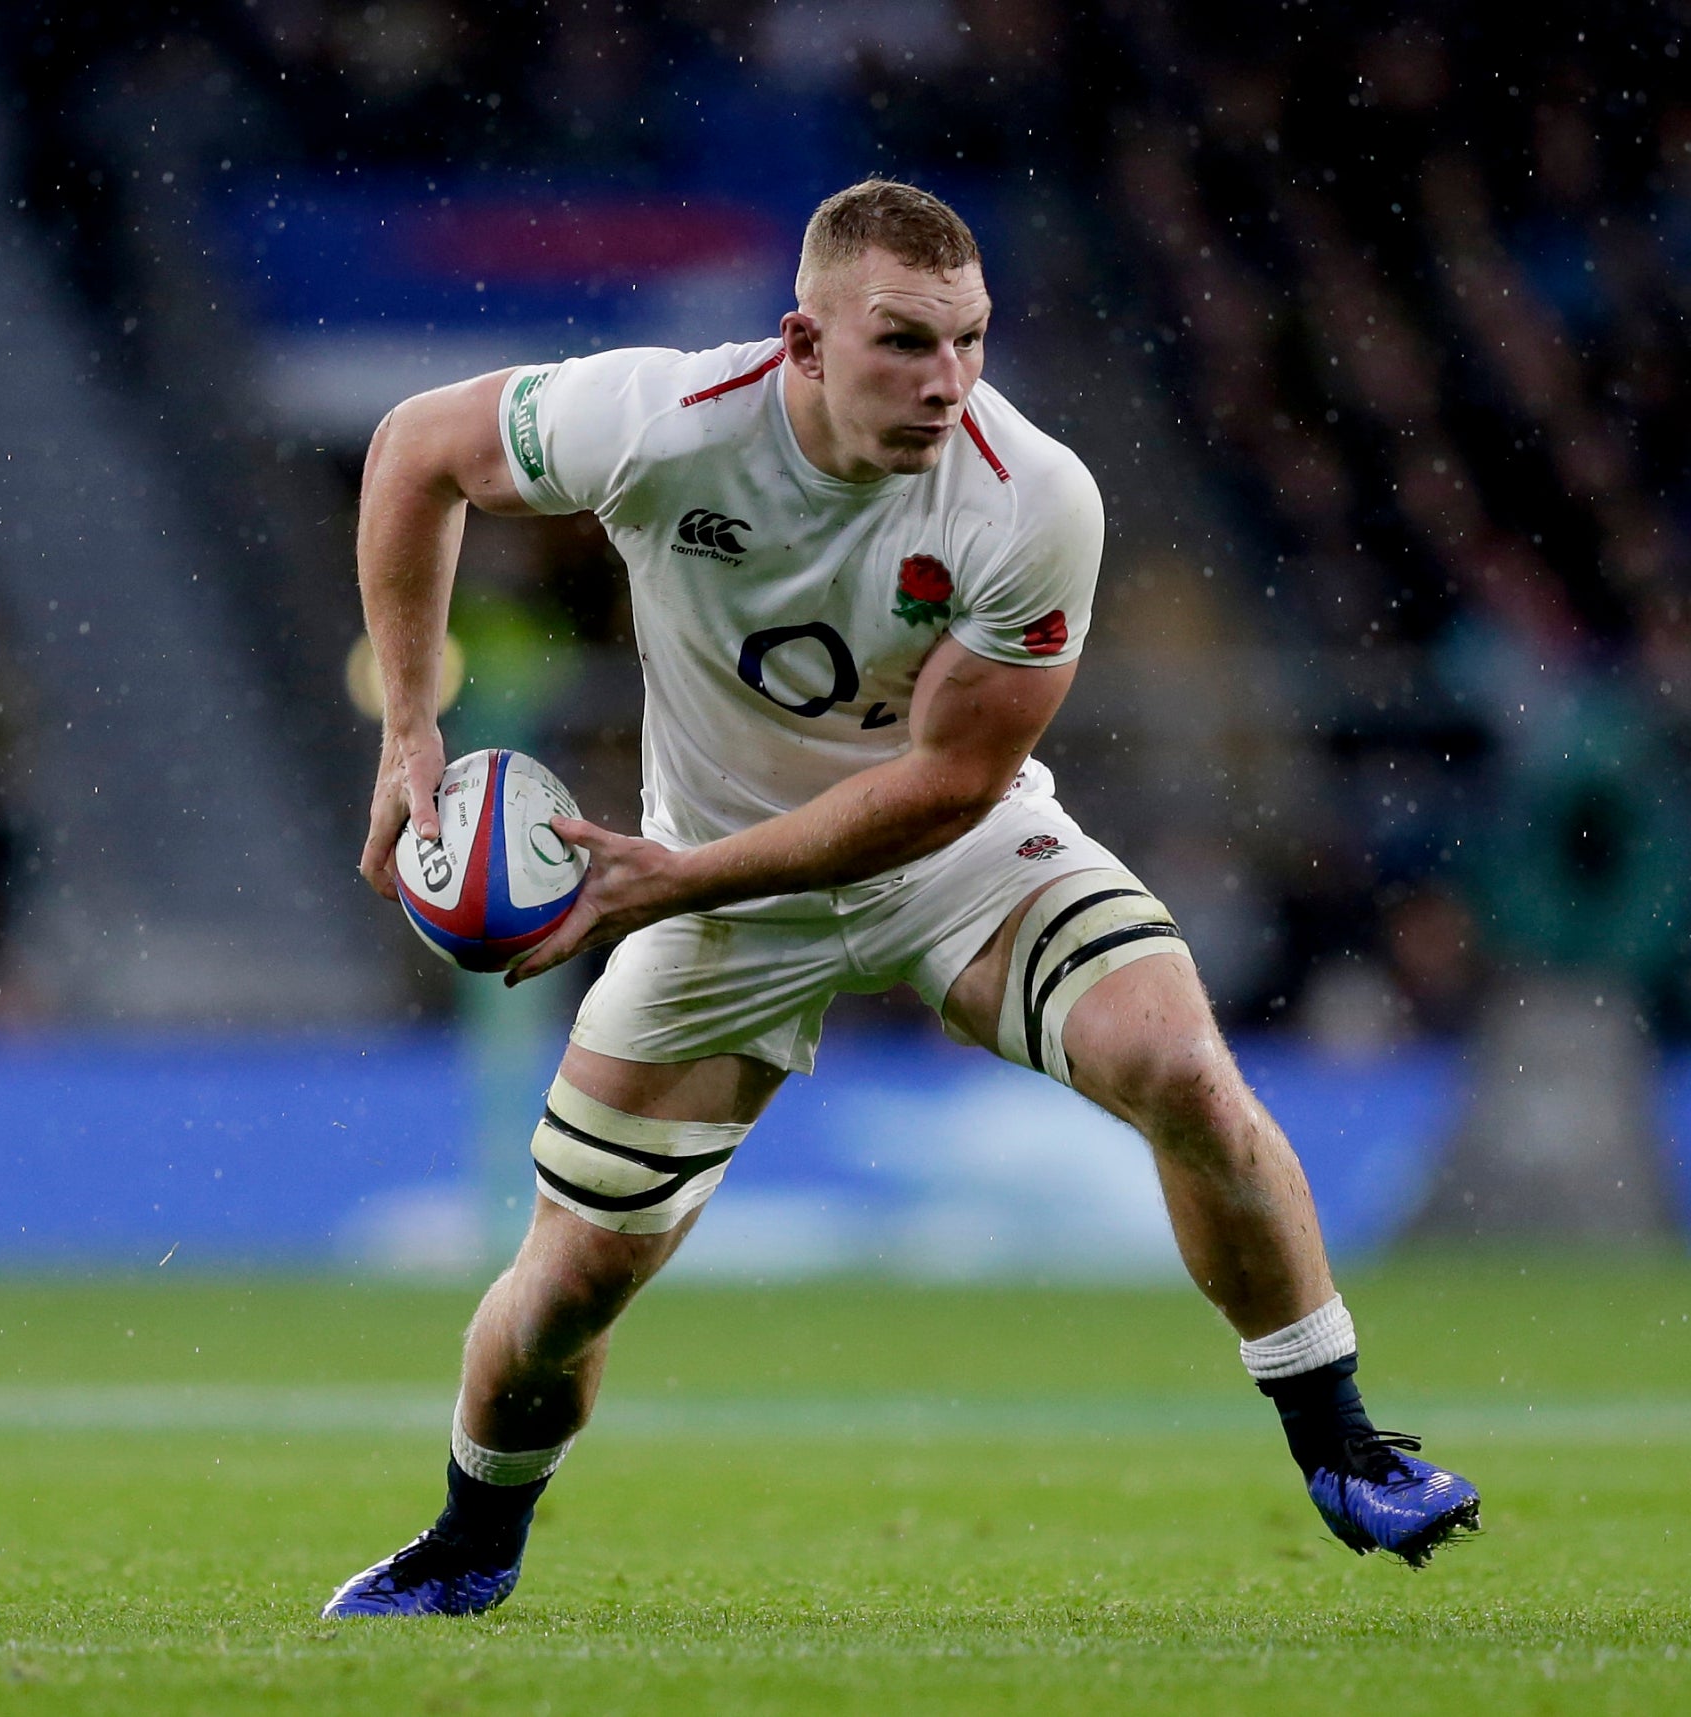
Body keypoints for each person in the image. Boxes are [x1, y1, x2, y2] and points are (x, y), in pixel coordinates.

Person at [326, 181, 1479, 1617]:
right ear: (804, 340)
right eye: (906, 344)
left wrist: (677, 876)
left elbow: (948, 781)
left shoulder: (1033, 496)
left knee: (1175, 1061)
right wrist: (411, 730)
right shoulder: (662, 421)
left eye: (971, 340)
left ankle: (1343, 1438)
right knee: (565, 1290)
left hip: (947, 862)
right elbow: (412, 448)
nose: (949, 381)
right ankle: (470, 1539)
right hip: (715, 900)